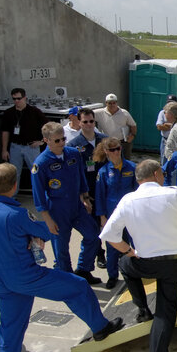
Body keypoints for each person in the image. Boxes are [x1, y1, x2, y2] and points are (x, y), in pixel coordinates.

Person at [0, 163, 123, 352]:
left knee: (10, 328)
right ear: (14, 187)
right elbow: (46, 232)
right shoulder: (16, 214)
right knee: (78, 286)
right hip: (25, 275)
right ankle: (100, 327)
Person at [100, 159, 177, 352]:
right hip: (176, 263)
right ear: (156, 175)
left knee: (125, 264)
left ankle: (142, 308)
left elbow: (109, 235)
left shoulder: (127, 200)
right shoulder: (173, 193)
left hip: (146, 263)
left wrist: (128, 250)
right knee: (165, 310)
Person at [31, 122, 101, 285]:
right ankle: (68, 279)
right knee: (61, 248)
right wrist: (47, 218)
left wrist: (85, 197)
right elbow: (38, 193)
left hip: (76, 205)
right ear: (46, 140)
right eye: (57, 141)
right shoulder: (41, 163)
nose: (62, 143)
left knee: (93, 235)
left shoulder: (73, 154)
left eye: (63, 139)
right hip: (57, 209)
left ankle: (83, 269)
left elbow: (81, 176)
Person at [93, 137, 137, 289]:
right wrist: (102, 217)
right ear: (106, 152)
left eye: (118, 148)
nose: (116, 152)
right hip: (112, 215)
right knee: (112, 247)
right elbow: (99, 195)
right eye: (112, 150)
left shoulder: (131, 168)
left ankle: (135, 272)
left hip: (130, 214)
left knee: (135, 243)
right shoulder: (103, 172)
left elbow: (138, 192)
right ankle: (113, 275)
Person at [67, 107, 107, 269]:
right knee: (93, 227)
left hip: (105, 190)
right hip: (88, 193)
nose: (89, 124)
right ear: (79, 122)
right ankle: (99, 254)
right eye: (85, 122)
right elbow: (73, 174)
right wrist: (82, 196)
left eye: (91, 121)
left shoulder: (104, 141)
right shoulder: (73, 146)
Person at [0, 88, 46, 179]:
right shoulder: (8, 113)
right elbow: (5, 132)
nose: (16, 101)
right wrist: (4, 150)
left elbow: (48, 127)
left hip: (31, 147)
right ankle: (13, 193)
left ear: (25, 98)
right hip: (15, 147)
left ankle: (39, 193)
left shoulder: (35, 112)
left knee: (36, 173)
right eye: (14, 99)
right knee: (14, 174)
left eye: (19, 98)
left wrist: (41, 141)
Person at [94, 93, 136, 159]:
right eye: (110, 103)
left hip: (122, 142)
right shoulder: (99, 113)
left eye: (114, 103)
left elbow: (133, 125)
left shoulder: (124, 113)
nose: (112, 105)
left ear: (117, 103)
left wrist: (132, 135)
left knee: (125, 162)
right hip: (107, 143)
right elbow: (87, 114)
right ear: (106, 103)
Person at [155, 93, 177, 163]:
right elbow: (159, 126)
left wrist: (167, 125)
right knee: (164, 160)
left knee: (175, 160)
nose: (170, 105)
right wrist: (172, 126)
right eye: (168, 103)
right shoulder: (162, 113)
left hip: (176, 141)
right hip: (165, 140)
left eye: (172, 103)